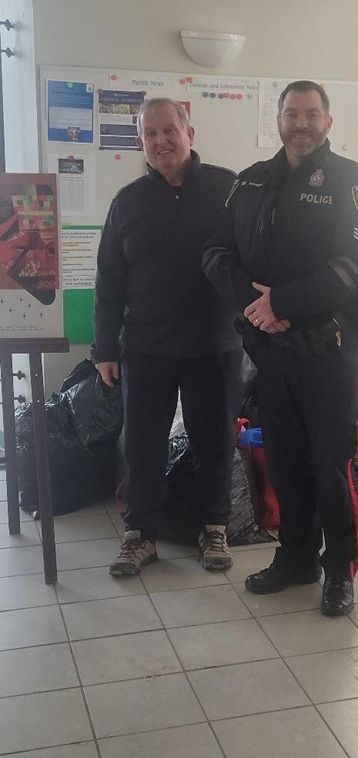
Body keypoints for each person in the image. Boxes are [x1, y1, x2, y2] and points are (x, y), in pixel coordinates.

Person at [202, 80, 358, 616]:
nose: (301, 124)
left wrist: (281, 301)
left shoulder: (353, 182)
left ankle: (340, 570)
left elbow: (357, 266)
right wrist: (254, 303)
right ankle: (297, 558)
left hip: (332, 353)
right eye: (291, 114)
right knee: (283, 461)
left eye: (311, 114)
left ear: (328, 121)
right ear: (278, 120)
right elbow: (214, 252)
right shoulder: (251, 181)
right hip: (271, 351)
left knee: (332, 465)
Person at [92, 97, 242, 576]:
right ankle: (140, 535)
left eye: (168, 130)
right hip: (146, 347)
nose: (160, 141)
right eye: (150, 134)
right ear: (141, 142)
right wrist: (104, 348)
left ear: (189, 134)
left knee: (215, 443)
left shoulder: (228, 189)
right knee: (143, 446)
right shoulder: (128, 201)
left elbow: (253, 258)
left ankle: (214, 528)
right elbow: (108, 282)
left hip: (214, 344)